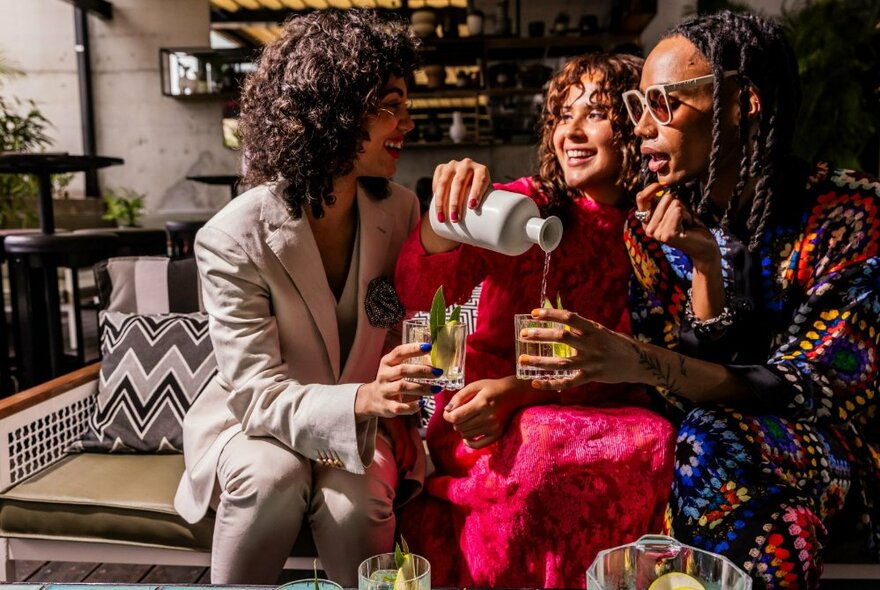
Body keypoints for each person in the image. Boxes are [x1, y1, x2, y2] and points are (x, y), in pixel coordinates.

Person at [521, 10, 879, 589]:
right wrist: (707, 274)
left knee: (708, 443)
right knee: (708, 456)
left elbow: (813, 392)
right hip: (718, 459)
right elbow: (677, 393)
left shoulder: (851, 216)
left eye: (662, 103)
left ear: (743, 103)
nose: (640, 128)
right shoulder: (654, 229)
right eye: (637, 107)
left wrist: (636, 359)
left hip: (844, 456)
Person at [394, 53, 676, 588]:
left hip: (591, 410)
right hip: (485, 416)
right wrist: (444, 216)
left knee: (660, 438)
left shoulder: (652, 232)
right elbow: (416, 289)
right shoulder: (526, 209)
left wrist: (523, 389)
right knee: (542, 444)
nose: (571, 130)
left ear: (634, 125)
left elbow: (641, 364)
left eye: (595, 113)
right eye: (561, 115)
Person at [173, 10, 432, 585]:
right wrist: (363, 397)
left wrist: (398, 380)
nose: (408, 123)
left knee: (355, 500)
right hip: (254, 426)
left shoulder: (401, 210)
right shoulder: (232, 237)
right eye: (391, 105)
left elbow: (400, 326)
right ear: (334, 112)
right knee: (272, 478)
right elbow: (258, 395)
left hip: (362, 427)